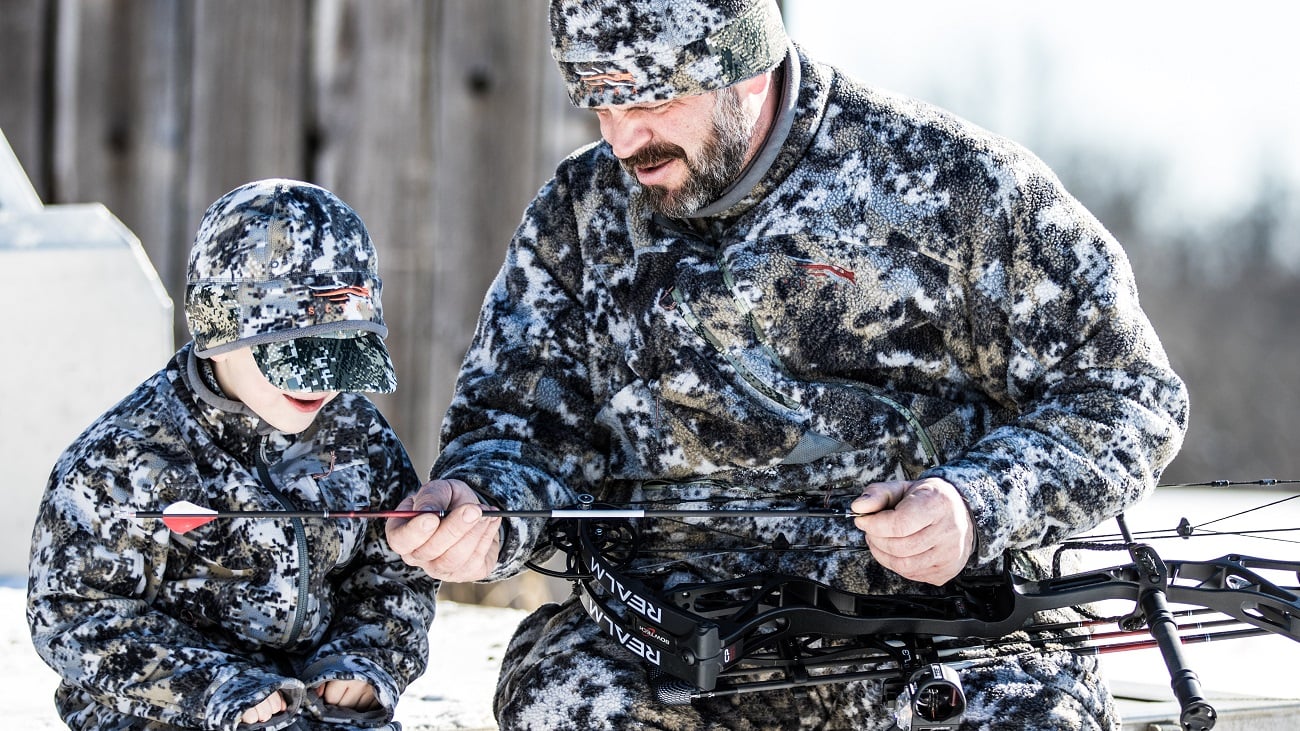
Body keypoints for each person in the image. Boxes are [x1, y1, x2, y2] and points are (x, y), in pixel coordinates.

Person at [386, 1, 1189, 728]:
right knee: (562, 699)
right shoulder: (577, 217)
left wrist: (975, 503)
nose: (623, 138)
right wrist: (482, 508)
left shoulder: (958, 186)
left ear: (745, 65)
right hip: (669, 651)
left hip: (937, 637)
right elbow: (515, 432)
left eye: (654, 99)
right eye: (601, 99)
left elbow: (1128, 396)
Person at [28, 179, 438, 731]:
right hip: (165, 712)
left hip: (314, 708)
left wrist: (364, 663)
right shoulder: (127, 458)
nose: (321, 378)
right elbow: (75, 613)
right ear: (217, 327)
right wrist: (215, 686)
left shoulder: (355, 432)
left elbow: (393, 573)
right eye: (294, 349)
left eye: (341, 346)